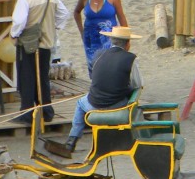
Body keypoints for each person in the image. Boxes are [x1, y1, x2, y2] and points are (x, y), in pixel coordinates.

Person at [45, 25, 142, 158]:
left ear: (112, 41)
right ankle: (130, 138)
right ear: (128, 44)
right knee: (131, 98)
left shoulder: (98, 55)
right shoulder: (131, 58)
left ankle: (71, 142)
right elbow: (138, 85)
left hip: (94, 103)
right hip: (116, 106)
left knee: (80, 103)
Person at [11, 0, 69, 123]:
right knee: (42, 78)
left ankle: (27, 112)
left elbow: (19, 21)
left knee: (27, 77)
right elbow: (64, 14)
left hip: (28, 43)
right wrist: (53, 27)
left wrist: (14, 35)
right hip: (46, 43)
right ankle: (46, 111)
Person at [73, 0, 129, 76]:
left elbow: (121, 16)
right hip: (90, 38)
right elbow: (76, 12)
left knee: (109, 65)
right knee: (93, 66)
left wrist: (126, 38)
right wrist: (81, 32)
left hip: (109, 37)